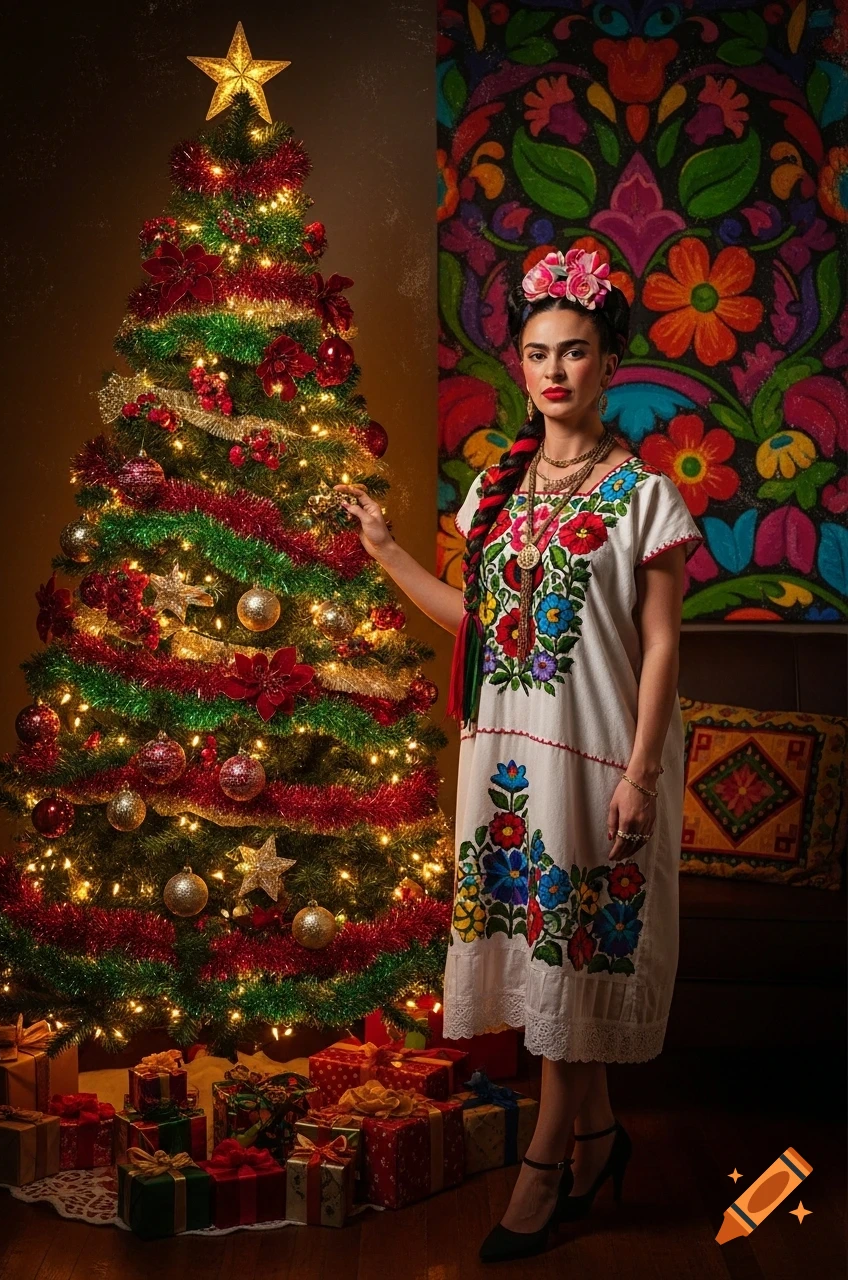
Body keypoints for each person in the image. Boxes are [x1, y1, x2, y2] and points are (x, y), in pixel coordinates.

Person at [333, 247, 704, 1264]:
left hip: (596, 760)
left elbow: (663, 644)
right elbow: (481, 629)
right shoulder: (491, 489)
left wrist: (638, 770)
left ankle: (545, 1161)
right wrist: (385, 551)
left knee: (574, 957)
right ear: (519, 362)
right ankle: (595, 1134)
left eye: (574, 350)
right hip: (501, 757)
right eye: (537, 351)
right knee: (543, 954)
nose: (553, 370)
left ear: (606, 360)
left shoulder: (643, 497)